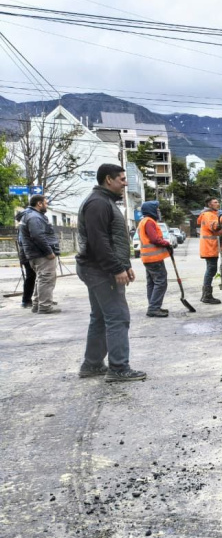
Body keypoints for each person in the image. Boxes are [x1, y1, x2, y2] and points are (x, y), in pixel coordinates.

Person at [76, 164, 146, 383]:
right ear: (109, 179)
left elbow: (111, 239)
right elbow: (100, 242)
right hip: (100, 270)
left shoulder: (103, 201)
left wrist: (124, 265)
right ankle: (118, 368)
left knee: (100, 317)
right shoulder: (98, 203)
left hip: (98, 268)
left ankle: (92, 364)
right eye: (122, 179)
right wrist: (116, 268)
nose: (125, 183)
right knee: (117, 317)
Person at [19, 194, 61, 314]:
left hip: (34, 254)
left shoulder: (30, 216)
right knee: (46, 279)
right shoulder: (34, 217)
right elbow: (38, 236)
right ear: (39, 203)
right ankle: (45, 307)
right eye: (46, 203)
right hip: (41, 255)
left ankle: (37, 305)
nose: (46, 205)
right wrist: (49, 252)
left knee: (41, 279)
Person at [137, 200, 173, 318]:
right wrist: (166, 243)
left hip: (148, 258)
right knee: (161, 282)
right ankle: (153, 308)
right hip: (153, 258)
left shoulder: (144, 221)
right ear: (151, 210)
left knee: (152, 283)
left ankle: (153, 305)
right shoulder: (149, 222)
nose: (158, 211)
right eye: (157, 209)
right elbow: (154, 239)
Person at [197, 197, 222, 305]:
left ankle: (206, 295)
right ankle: (207, 296)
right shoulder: (207, 215)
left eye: (218, 202)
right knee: (211, 270)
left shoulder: (213, 214)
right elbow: (215, 227)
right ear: (209, 205)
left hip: (212, 247)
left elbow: (219, 232)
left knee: (211, 270)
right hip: (209, 247)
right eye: (215, 202)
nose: (218, 203)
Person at [15, 210, 37, 310]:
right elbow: (23, 242)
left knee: (35, 277)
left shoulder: (23, 225)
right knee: (31, 277)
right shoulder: (23, 226)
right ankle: (26, 300)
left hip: (28, 255)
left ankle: (37, 298)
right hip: (27, 255)